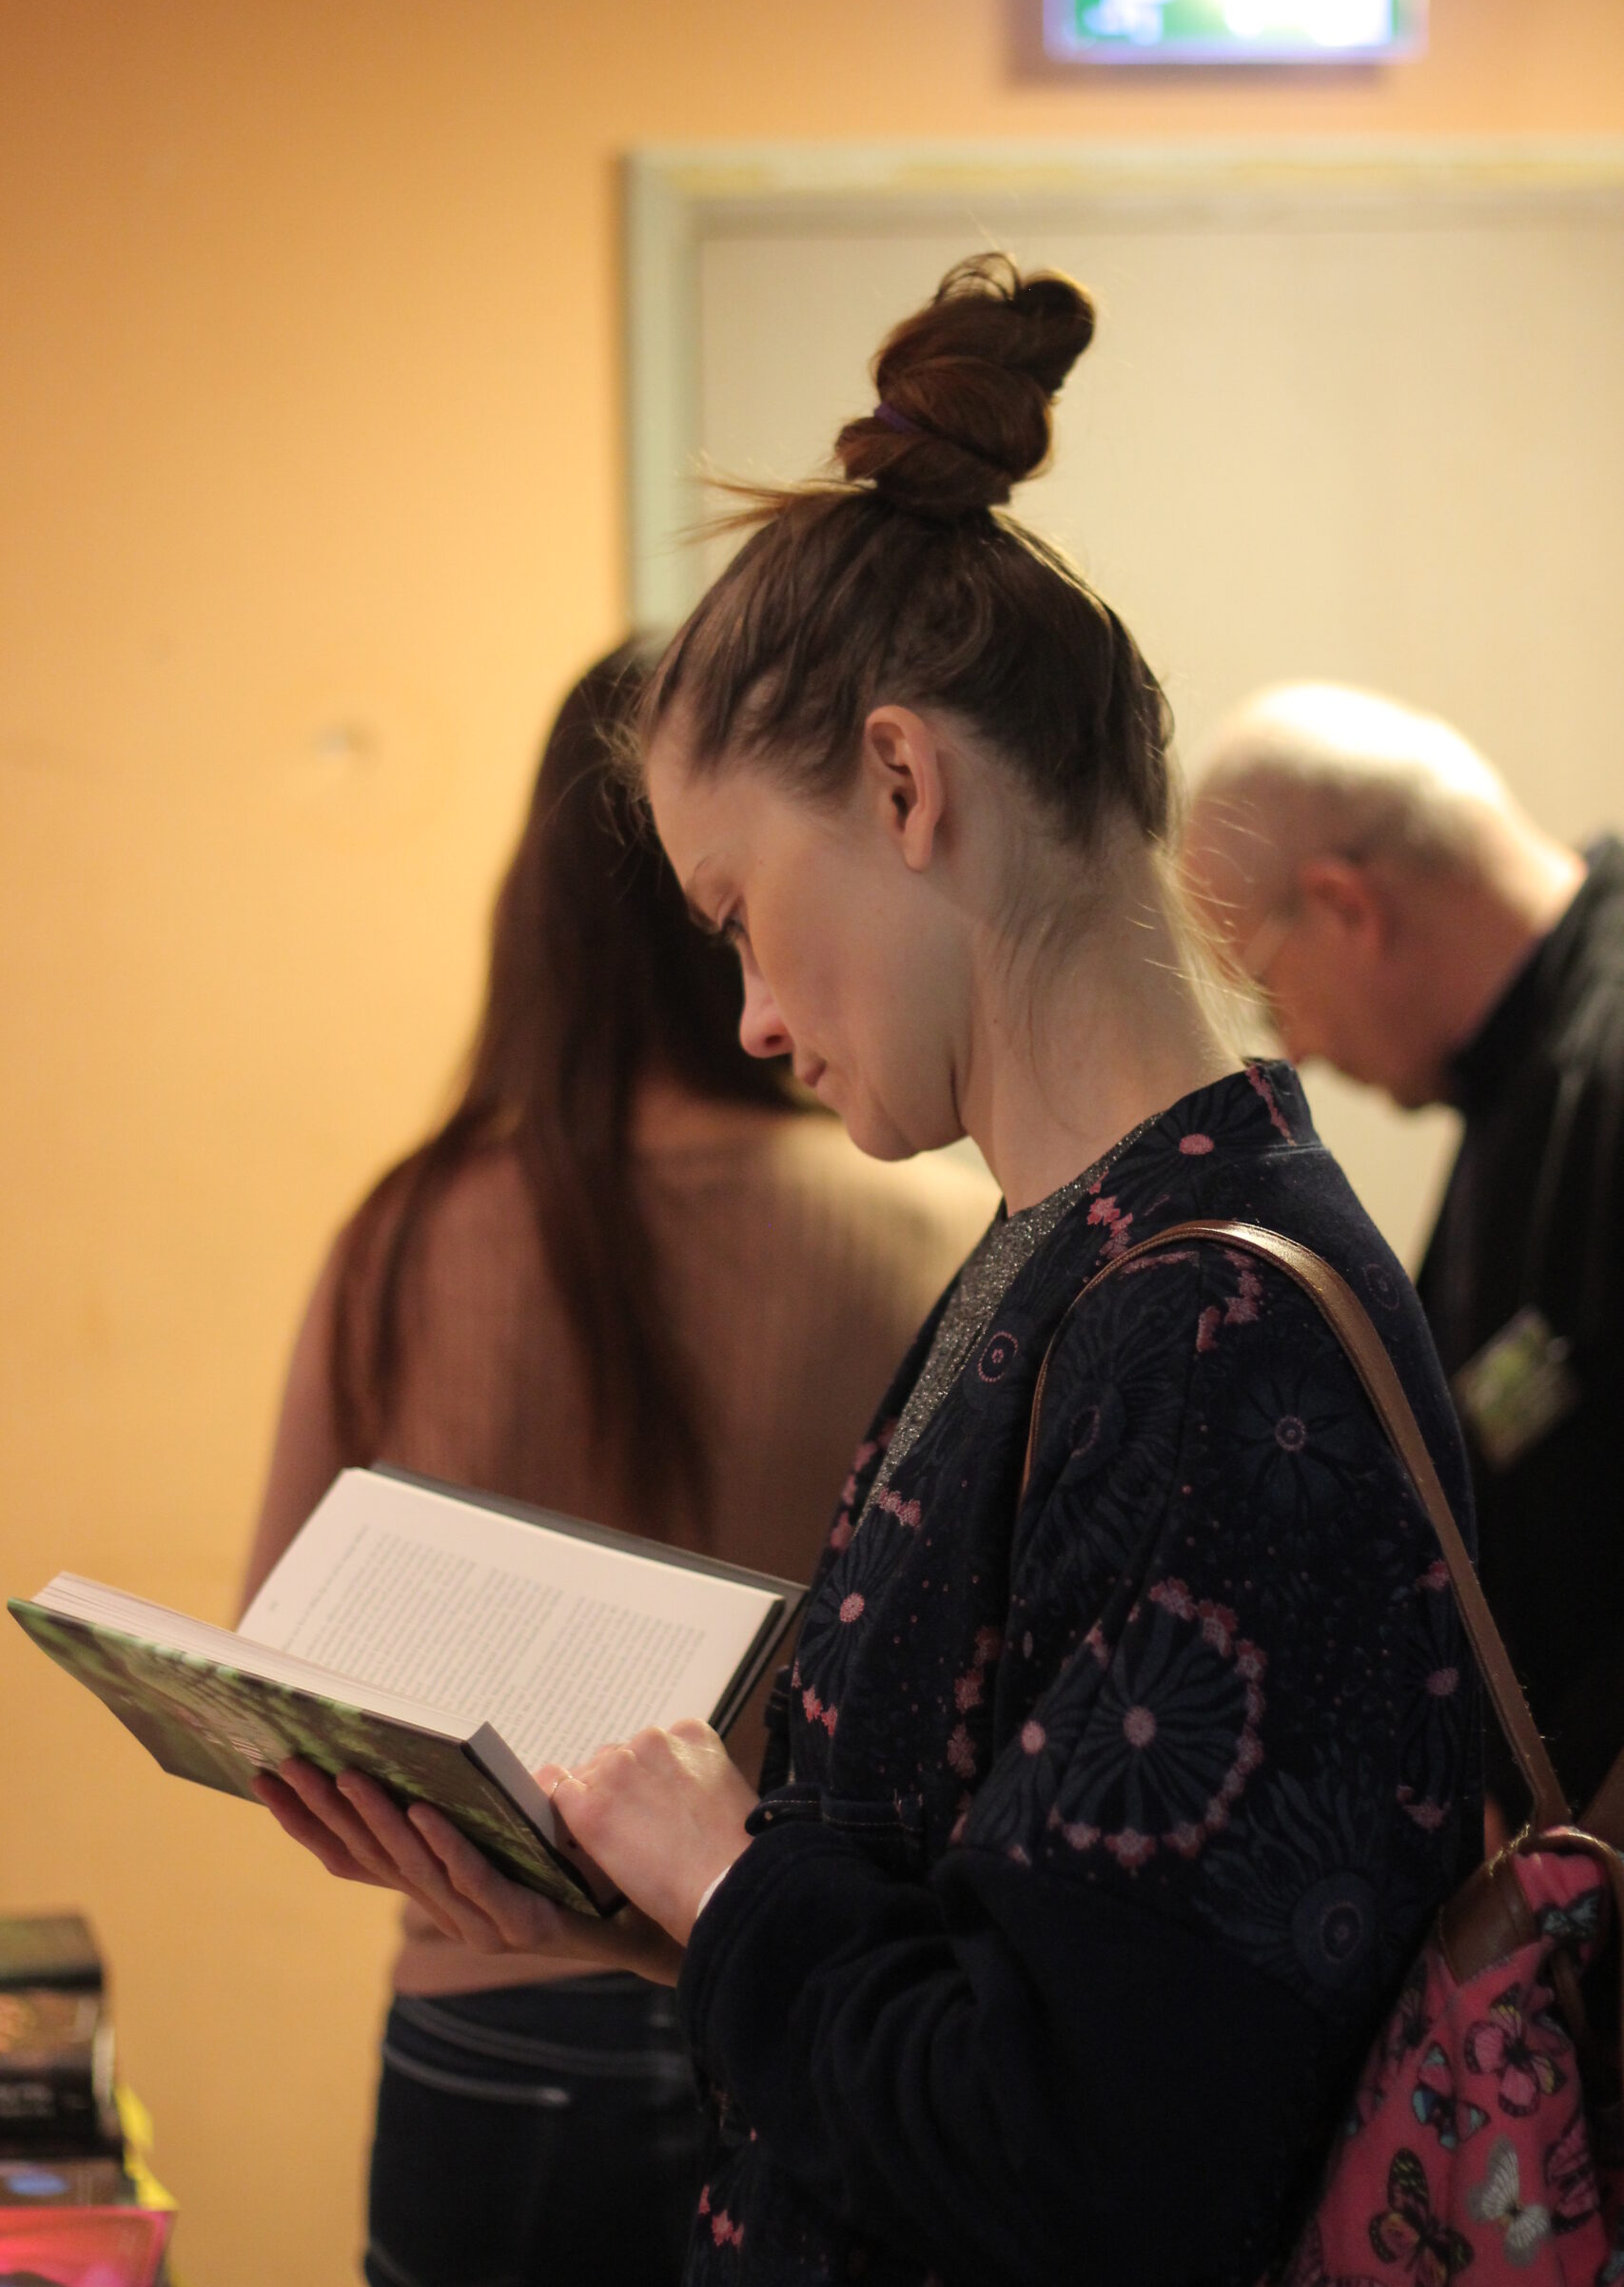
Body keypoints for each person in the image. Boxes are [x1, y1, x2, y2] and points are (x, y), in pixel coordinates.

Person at [257, 262, 1481, 2287]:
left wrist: (719, 1879)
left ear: (904, 787)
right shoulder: (1069, 1252)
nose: (747, 1014)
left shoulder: (1209, 1322)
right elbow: (959, 1933)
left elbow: (1083, 2156)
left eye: (740, 910)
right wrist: (642, 1911)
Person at [243, 645, 992, 2287]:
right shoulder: (944, 1236)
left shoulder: (407, 1232)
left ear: (539, 918)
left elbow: (271, 1658)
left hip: (489, 2032)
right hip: (816, 2013)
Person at [1182, 681, 1622, 1830]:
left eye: (1267, 994)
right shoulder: (1527, 1074)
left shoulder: (1607, 1064)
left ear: (1346, 906)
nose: (1298, 1046)